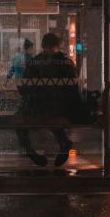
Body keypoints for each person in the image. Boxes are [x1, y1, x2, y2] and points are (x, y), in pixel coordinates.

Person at [15, 33, 77, 167]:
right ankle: (63, 141)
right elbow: (74, 89)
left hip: (37, 109)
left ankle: (29, 149)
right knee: (52, 109)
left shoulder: (33, 63)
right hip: (61, 109)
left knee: (18, 117)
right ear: (58, 46)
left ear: (43, 46)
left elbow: (23, 88)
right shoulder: (67, 63)